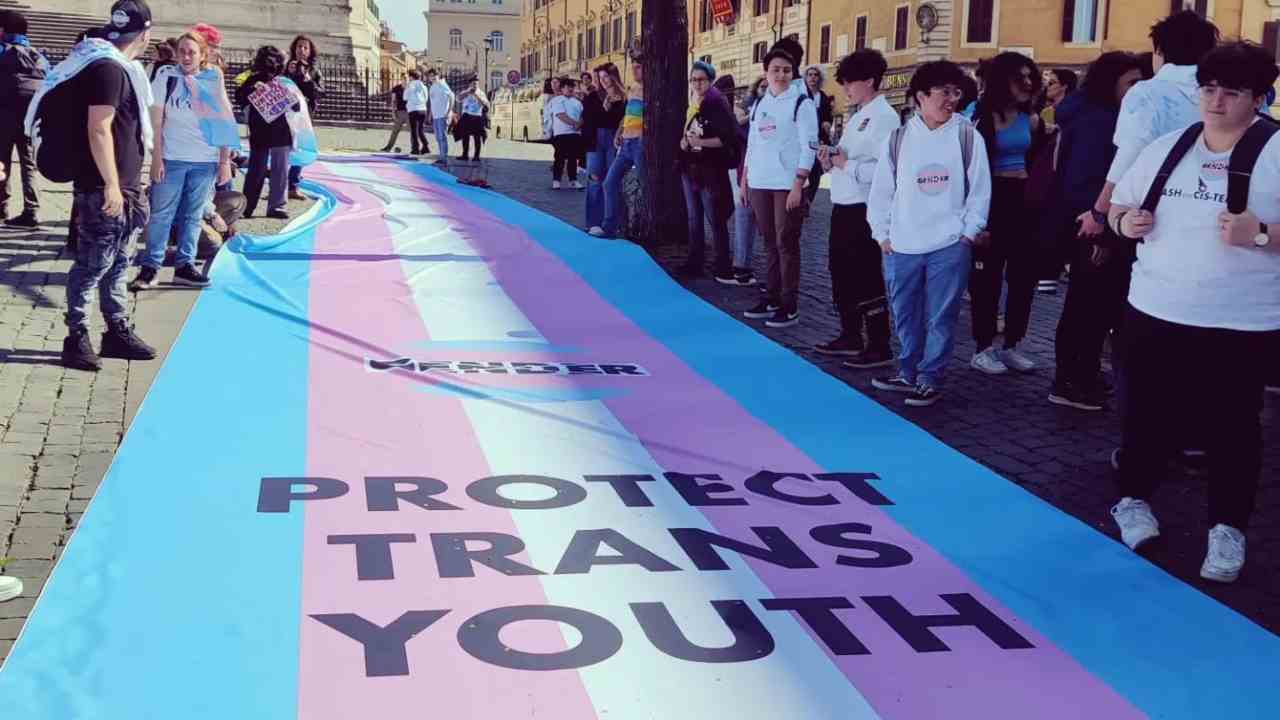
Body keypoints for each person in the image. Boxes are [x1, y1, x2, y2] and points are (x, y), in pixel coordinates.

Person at [1106, 42, 1280, 584]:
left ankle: (1227, 527)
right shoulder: (1166, 145)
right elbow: (1116, 206)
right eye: (1209, 89)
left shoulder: (1277, 151)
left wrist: (1265, 234)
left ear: (1259, 97)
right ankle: (1132, 500)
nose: (1217, 101)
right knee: (1147, 417)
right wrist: (1122, 224)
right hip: (1155, 309)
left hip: (1241, 320)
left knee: (1233, 430)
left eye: (1232, 92)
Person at [25, 0, 161, 371]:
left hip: (126, 188)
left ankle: (115, 330)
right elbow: (98, 128)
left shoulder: (113, 66)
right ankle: (77, 336)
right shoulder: (108, 69)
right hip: (105, 189)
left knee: (120, 263)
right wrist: (111, 184)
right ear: (145, 34)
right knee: (92, 265)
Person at [868, 60, 992, 407]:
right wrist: (883, 235)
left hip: (949, 245)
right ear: (921, 96)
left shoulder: (967, 135)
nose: (951, 99)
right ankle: (907, 371)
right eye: (943, 92)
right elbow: (881, 192)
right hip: (902, 245)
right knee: (905, 312)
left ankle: (929, 377)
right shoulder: (899, 139)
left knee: (941, 315)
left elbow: (980, 190)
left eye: (956, 92)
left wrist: (968, 233)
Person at [1048, 52, 1144, 411]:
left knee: (1093, 307)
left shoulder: (1097, 115)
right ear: (1112, 83)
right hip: (1093, 229)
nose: (1138, 90)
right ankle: (1072, 379)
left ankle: (1080, 374)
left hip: (1095, 226)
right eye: (1131, 83)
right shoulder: (1101, 122)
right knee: (1087, 308)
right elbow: (1088, 182)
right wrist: (1102, 233)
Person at [130, 30, 236, 290]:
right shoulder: (166, 76)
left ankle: (185, 267)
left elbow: (223, 117)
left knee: (192, 215)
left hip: (205, 160)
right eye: (182, 51)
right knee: (161, 215)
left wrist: (224, 161)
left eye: (192, 52)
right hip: (173, 158)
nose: (186, 56)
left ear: (203, 55)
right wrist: (156, 159)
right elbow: (156, 120)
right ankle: (150, 267)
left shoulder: (213, 77)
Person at [814, 49, 900, 367]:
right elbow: (847, 159)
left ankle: (879, 343)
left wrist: (844, 163)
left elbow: (883, 171)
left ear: (870, 81)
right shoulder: (859, 115)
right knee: (841, 271)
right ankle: (850, 334)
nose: (846, 88)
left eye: (850, 82)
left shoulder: (884, 118)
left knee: (865, 274)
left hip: (864, 207)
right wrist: (831, 160)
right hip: (843, 202)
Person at [965, 51, 1046, 377]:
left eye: (1030, 77)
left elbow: (1037, 160)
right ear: (1002, 81)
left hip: (1023, 201)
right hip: (991, 199)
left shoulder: (1033, 119)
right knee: (987, 279)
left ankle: (1012, 343)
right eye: (1019, 78)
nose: (1027, 84)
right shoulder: (978, 115)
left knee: (1024, 276)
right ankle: (983, 347)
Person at [739, 45, 818, 329]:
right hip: (760, 181)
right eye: (775, 70)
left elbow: (810, 147)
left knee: (787, 244)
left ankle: (789, 304)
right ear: (766, 72)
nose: (781, 75)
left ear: (793, 73)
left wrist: (799, 183)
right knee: (769, 243)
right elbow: (752, 143)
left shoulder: (801, 103)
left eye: (786, 70)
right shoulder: (761, 104)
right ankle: (770, 296)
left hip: (787, 184)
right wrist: (745, 179)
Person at [677, 60, 737, 280]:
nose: (696, 83)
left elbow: (726, 138)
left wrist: (697, 142)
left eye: (701, 79)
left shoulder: (716, 103)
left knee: (715, 219)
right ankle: (695, 263)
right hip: (690, 166)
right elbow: (689, 130)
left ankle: (723, 267)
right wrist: (685, 142)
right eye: (693, 79)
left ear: (710, 80)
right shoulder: (693, 101)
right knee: (694, 219)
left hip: (709, 170)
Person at [236, 45, 296, 220]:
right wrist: (254, 89)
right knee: (259, 170)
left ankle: (273, 206)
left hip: (277, 130)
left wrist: (284, 94)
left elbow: (297, 105)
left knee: (276, 170)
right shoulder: (253, 79)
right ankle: (249, 206)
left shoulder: (284, 82)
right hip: (263, 130)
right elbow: (240, 97)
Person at [0, 8, 47, 228]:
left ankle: (1, 208)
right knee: (29, 165)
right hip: (30, 119)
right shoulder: (38, 55)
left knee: (1, 163)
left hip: (4, 115)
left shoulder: (2, 50)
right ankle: (32, 211)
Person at [594, 56, 645, 238]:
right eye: (633, 67)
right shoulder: (632, 89)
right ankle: (609, 227)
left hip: (639, 143)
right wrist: (619, 133)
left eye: (638, 67)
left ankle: (639, 228)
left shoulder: (649, 90)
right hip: (625, 143)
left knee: (644, 185)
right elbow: (627, 116)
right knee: (609, 183)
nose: (634, 71)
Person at [582, 62, 624, 232]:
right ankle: (593, 223)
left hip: (614, 140)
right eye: (600, 78)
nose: (604, 81)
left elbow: (624, 119)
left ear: (614, 76)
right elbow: (587, 118)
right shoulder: (593, 97)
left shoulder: (623, 97)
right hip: (596, 139)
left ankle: (612, 222)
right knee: (594, 180)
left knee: (612, 181)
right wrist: (603, 107)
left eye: (606, 76)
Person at [285, 35, 321, 200]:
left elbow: (320, 93)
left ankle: (293, 186)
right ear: (294, 49)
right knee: (283, 148)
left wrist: (308, 81)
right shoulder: (287, 67)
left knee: (300, 148)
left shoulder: (314, 70)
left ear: (310, 51)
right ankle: (279, 185)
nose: (302, 50)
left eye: (305, 47)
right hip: (287, 113)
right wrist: (289, 74)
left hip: (305, 115)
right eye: (299, 46)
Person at [802, 64, 834, 203]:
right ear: (805, 78)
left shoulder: (824, 98)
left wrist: (827, 123)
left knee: (816, 171)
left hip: (819, 139)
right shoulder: (801, 96)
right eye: (810, 75)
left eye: (815, 75)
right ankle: (800, 197)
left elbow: (828, 116)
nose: (812, 78)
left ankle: (809, 200)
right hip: (803, 140)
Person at [548, 77, 583, 189]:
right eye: (568, 87)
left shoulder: (577, 102)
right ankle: (556, 180)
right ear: (562, 88)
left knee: (573, 158)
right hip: (561, 133)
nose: (570, 89)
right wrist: (575, 124)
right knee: (559, 157)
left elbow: (583, 115)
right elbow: (560, 115)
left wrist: (579, 124)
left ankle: (573, 180)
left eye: (572, 87)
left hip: (575, 134)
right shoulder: (557, 100)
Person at [455, 78, 489, 162]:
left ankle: (476, 156)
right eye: (473, 84)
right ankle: (465, 155)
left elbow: (484, 104)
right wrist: (467, 93)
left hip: (477, 116)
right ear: (470, 84)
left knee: (477, 137)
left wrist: (476, 95)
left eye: (476, 84)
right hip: (466, 116)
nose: (475, 85)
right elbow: (458, 99)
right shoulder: (466, 91)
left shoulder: (481, 93)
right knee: (465, 136)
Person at [426, 68, 455, 166]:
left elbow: (452, 96)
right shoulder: (432, 87)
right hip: (435, 115)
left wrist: (448, 111)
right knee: (438, 137)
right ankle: (441, 157)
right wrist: (430, 114)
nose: (432, 78)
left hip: (443, 115)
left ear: (438, 76)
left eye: (434, 75)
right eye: (430, 76)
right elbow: (432, 102)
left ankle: (444, 158)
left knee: (442, 137)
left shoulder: (442, 84)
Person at [381, 74, 410, 152]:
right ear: (401, 79)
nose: (405, 80)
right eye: (404, 78)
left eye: (406, 78)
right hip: (399, 112)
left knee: (413, 132)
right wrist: (393, 112)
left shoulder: (411, 88)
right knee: (395, 131)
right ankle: (388, 147)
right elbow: (393, 101)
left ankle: (415, 148)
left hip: (409, 113)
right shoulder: (396, 88)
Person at [403, 69, 429, 156]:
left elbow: (405, 97)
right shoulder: (424, 86)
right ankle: (425, 145)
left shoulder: (410, 85)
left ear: (411, 77)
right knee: (420, 130)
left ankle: (416, 149)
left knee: (414, 131)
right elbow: (426, 98)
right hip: (423, 109)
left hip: (413, 109)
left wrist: (406, 87)